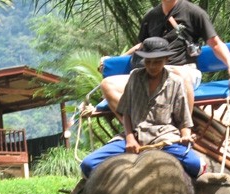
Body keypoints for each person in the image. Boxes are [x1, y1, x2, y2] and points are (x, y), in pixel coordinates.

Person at [81, 37, 206, 179]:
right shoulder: (134, 77)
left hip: (165, 138)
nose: (152, 66)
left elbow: (184, 119)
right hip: (135, 135)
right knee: (88, 165)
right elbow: (126, 112)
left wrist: (185, 136)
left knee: (196, 166)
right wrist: (130, 139)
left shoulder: (176, 82)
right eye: (148, 61)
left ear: (166, 60)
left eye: (157, 62)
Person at [100, 0, 230, 113]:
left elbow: (215, 43)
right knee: (108, 85)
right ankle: (135, 128)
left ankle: (185, 129)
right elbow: (141, 46)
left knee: (178, 74)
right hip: (150, 73)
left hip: (183, 70)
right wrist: (113, 60)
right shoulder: (151, 17)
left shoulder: (194, 13)